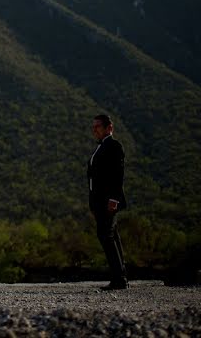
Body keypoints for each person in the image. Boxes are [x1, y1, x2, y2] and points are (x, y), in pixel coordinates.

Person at [87, 114, 128, 290]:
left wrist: (113, 199)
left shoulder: (113, 146)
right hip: (99, 202)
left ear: (108, 127)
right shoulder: (101, 147)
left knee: (107, 236)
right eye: (93, 126)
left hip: (108, 201)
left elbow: (117, 175)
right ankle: (121, 276)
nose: (94, 129)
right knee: (112, 236)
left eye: (97, 126)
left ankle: (119, 279)